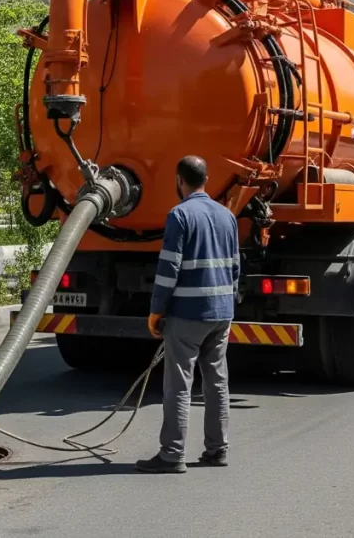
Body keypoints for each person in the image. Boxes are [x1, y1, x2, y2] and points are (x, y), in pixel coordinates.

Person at [136, 155, 239, 474]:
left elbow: (169, 269)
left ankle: (172, 454)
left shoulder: (180, 215)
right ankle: (217, 450)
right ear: (206, 179)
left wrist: (156, 310)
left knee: (179, 385)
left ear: (180, 180)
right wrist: (227, 303)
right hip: (221, 312)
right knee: (216, 382)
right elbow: (235, 267)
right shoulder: (227, 216)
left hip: (188, 315)